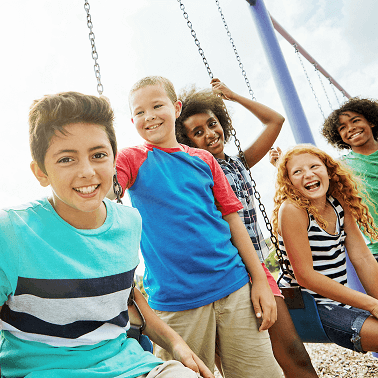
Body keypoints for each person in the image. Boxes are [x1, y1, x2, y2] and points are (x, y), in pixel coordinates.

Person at [0, 91, 214, 378]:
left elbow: (128, 296)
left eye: (98, 155)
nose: (87, 172)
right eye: (66, 159)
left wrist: (177, 345)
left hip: (128, 366)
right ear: (40, 172)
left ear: (114, 159)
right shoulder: (12, 231)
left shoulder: (128, 223)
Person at [114, 76, 282, 378]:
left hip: (233, 286)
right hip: (176, 301)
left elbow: (233, 219)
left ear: (176, 108)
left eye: (157, 106)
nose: (149, 115)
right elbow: (109, 187)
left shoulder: (203, 159)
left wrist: (260, 280)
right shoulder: (132, 158)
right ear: (132, 120)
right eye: (139, 112)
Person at [175, 79, 318, 378]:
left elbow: (275, 121)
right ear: (187, 142)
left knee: (294, 353)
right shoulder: (196, 173)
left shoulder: (240, 163)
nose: (210, 134)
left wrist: (232, 96)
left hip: (257, 269)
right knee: (237, 365)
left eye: (212, 124)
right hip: (227, 273)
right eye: (197, 133)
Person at [272, 144, 378, 354]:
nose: (308, 174)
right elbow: (305, 276)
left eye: (314, 166)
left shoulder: (337, 204)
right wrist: (371, 304)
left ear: (328, 170)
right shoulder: (293, 210)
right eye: (297, 172)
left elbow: (362, 257)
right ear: (290, 182)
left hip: (338, 300)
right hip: (311, 306)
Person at [321, 97, 378, 258]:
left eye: (355, 121)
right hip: (376, 248)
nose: (351, 128)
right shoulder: (338, 168)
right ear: (339, 136)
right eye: (342, 128)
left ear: (371, 122)